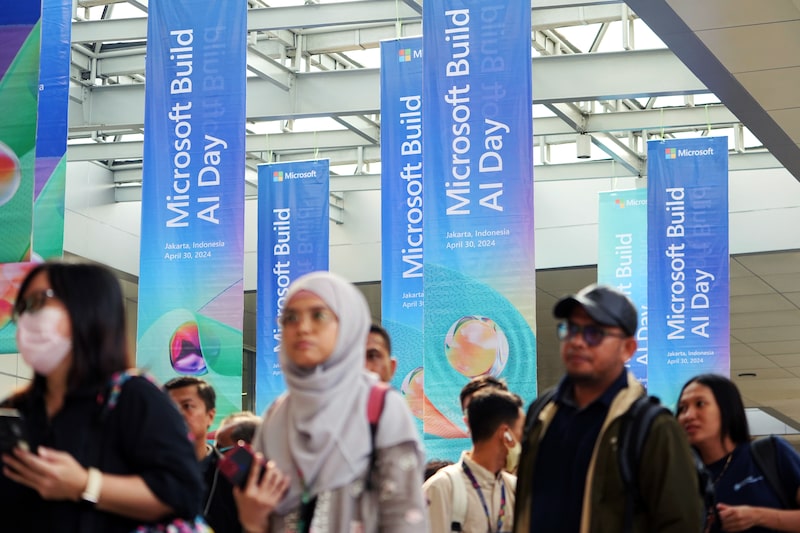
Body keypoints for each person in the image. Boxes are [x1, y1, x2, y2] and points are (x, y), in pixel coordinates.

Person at [0, 261, 203, 533]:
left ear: (86, 308)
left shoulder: (132, 397)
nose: (26, 318)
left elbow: (183, 494)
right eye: (22, 307)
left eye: (38, 302)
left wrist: (85, 484)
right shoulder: (18, 409)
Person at [234, 271, 427, 532]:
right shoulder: (277, 416)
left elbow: (404, 518)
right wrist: (252, 521)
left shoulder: (380, 406)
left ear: (346, 326)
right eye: (290, 318)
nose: (302, 328)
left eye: (319, 315)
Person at [513, 283, 704, 533]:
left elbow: (680, 523)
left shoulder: (652, 427)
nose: (577, 342)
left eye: (594, 333)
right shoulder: (543, 412)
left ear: (627, 349)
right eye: (571, 329)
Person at [677, 373, 800, 532]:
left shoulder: (770, 453)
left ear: (726, 409)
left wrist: (758, 516)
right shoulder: (683, 479)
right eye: (682, 408)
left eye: (700, 404)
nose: (688, 415)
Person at [424, 388, 524, 532]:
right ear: (505, 434)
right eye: (522, 431)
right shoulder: (441, 488)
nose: (524, 440)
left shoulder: (515, 490)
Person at [165, 376, 240, 533]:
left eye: (187, 406)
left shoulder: (232, 477)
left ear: (210, 416)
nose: (177, 414)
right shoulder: (143, 472)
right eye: (169, 408)